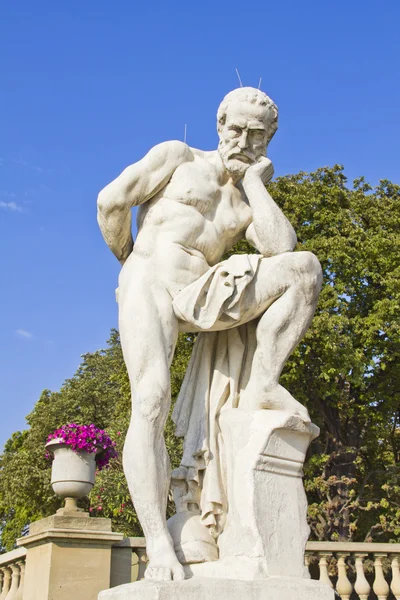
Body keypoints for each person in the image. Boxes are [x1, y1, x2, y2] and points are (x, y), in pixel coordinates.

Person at [97, 87, 322, 582]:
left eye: (257, 135)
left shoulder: (246, 202)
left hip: (201, 290)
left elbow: (282, 248)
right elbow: (111, 201)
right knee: (152, 399)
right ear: (219, 125)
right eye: (235, 129)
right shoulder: (177, 158)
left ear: (269, 141)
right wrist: (132, 263)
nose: (243, 141)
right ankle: (159, 541)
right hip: (151, 278)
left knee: (304, 270)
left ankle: (263, 380)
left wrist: (258, 186)